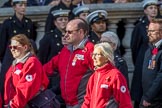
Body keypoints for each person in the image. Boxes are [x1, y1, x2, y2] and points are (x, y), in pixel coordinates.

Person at [43, 18, 94, 107]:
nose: (65, 35)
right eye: (65, 31)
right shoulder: (66, 50)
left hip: (84, 103)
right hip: (68, 103)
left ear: (81, 32)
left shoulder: (91, 50)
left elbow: (102, 75)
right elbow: (48, 68)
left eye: (69, 32)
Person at [0, 0, 36, 102]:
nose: (23, 7)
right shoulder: (8, 23)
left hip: (25, 58)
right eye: (20, 5)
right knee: (7, 82)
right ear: (14, 7)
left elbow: (31, 41)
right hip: (10, 57)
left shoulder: (28, 23)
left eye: (25, 5)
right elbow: (2, 44)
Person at [2, 34, 49, 108]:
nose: (12, 49)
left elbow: (26, 88)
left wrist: (13, 105)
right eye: (10, 47)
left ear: (25, 47)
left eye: (15, 47)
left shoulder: (32, 62)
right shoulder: (14, 64)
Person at [81, 42, 132, 108]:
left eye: (97, 55)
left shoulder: (115, 75)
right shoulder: (93, 77)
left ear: (106, 57)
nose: (93, 57)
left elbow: (125, 102)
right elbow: (87, 101)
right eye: (93, 54)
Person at [37, 9, 70, 107]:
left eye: (65, 19)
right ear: (55, 22)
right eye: (60, 20)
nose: (63, 21)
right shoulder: (49, 37)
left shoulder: (71, 36)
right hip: (54, 78)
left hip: (67, 76)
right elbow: (42, 58)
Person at [130, 0, 158, 107]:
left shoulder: (160, 24)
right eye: (151, 8)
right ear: (145, 10)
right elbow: (134, 46)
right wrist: (139, 60)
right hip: (142, 60)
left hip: (157, 58)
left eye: (155, 8)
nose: (154, 10)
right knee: (140, 89)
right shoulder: (140, 26)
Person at [140, 18, 162, 108]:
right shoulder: (149, 49)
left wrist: (149, 97)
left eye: (152, 31)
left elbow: (160, 77)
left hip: (157, 100)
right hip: (147, 98)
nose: (148, 34)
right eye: (148, 30)